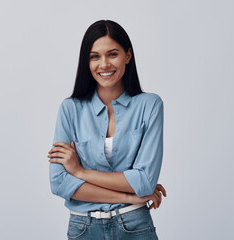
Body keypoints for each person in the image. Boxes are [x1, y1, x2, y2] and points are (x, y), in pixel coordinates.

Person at [48, 19, 166, 240]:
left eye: (112, 54)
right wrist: (131, 197)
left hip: (135, 226)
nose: (104, 64)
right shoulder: (69, 109)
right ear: (87, 61)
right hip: (84, 228)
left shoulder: (150, 105)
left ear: (127, 56)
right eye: (95, 56)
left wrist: (81, 172)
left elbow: (144, 182)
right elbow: (59, 182)